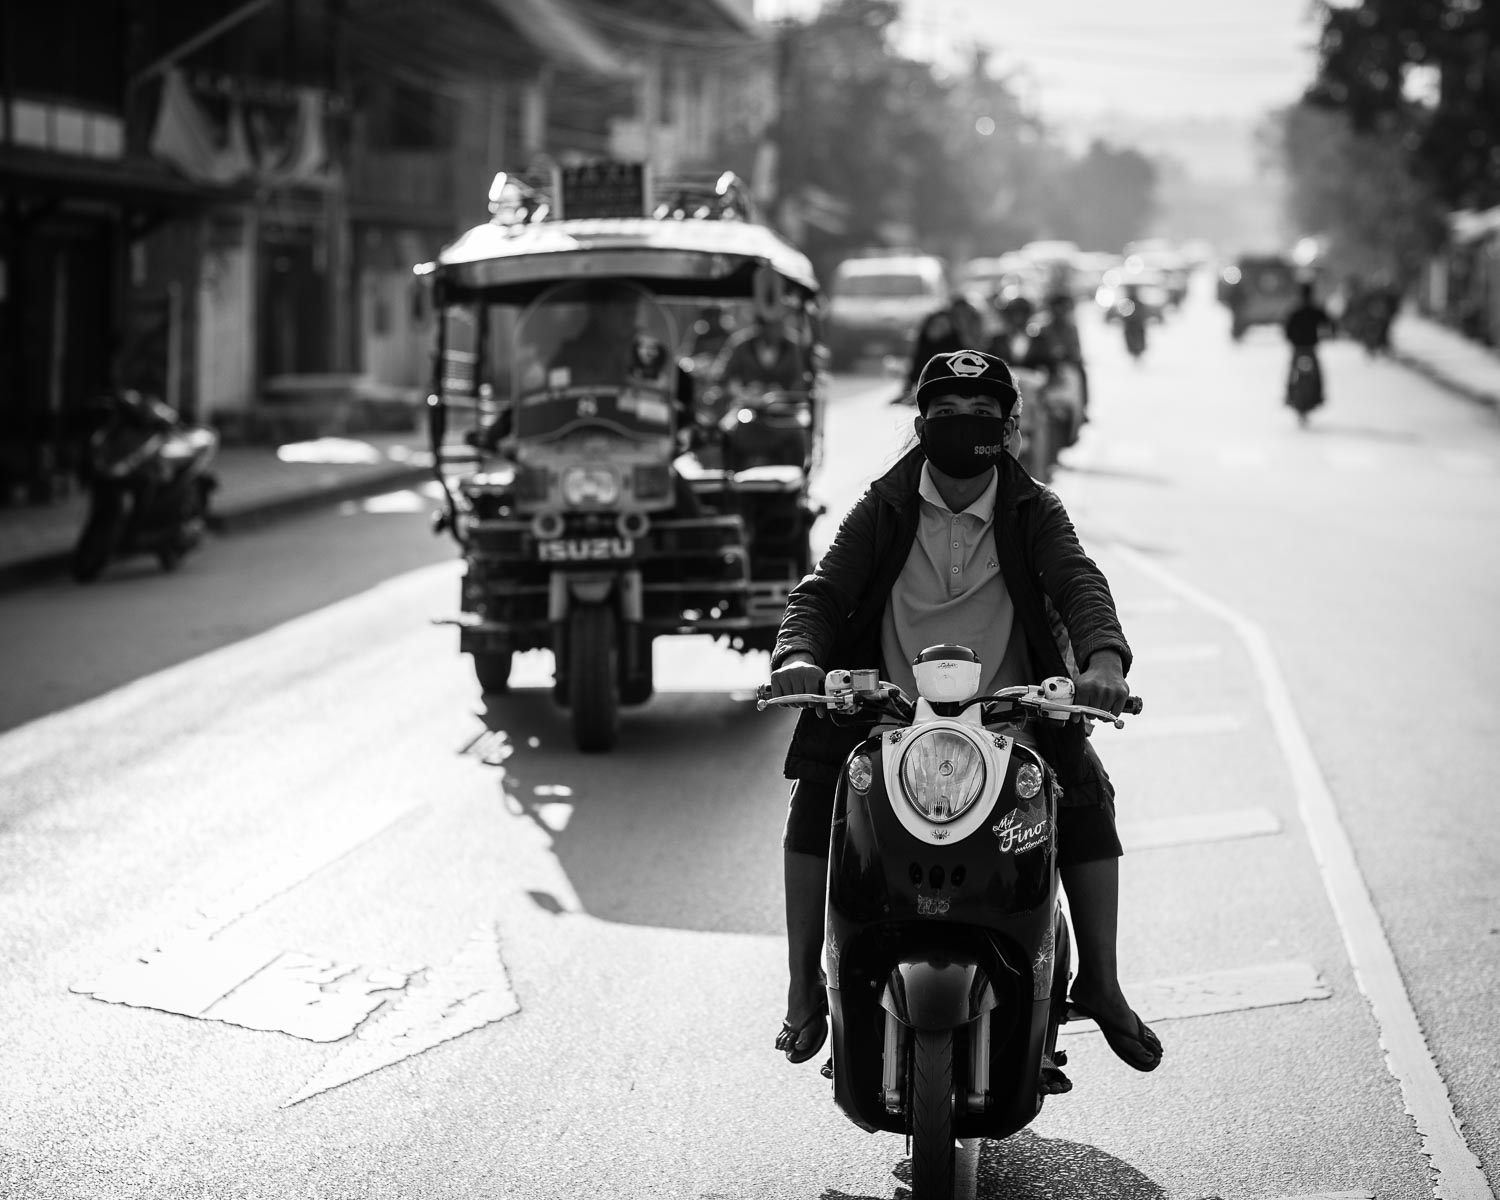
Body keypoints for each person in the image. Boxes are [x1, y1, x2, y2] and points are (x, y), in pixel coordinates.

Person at [767, 349, 1163, 1093]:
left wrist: (1103, 662)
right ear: (919, 427)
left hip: (1012, 721)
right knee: (814, 795)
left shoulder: (1034, 509)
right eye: (946, 416)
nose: (964, 429)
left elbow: (1081, 585)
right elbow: (820, 593)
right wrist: (798, 657)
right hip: (887, 717)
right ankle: (804, 990)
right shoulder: (882, 507)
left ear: (1011, 429)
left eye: (983, 415)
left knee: (1084, 792)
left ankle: (1101, 984)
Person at [901, 296, 983, 397]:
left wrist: (963, 328)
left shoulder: (970, 324)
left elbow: (976, 350)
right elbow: (922, 353)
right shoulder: (941, 320)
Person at [1282, 282, 1336, 402]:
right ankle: (1319, 395)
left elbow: (1287, 330)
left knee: (1291, 372)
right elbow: (1329, 323)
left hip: (1299, 348)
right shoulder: (1315, 310)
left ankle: (1288, 395)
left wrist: (1291, 339)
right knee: (1317, 374)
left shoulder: (1295, 311)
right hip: (1310, 348)